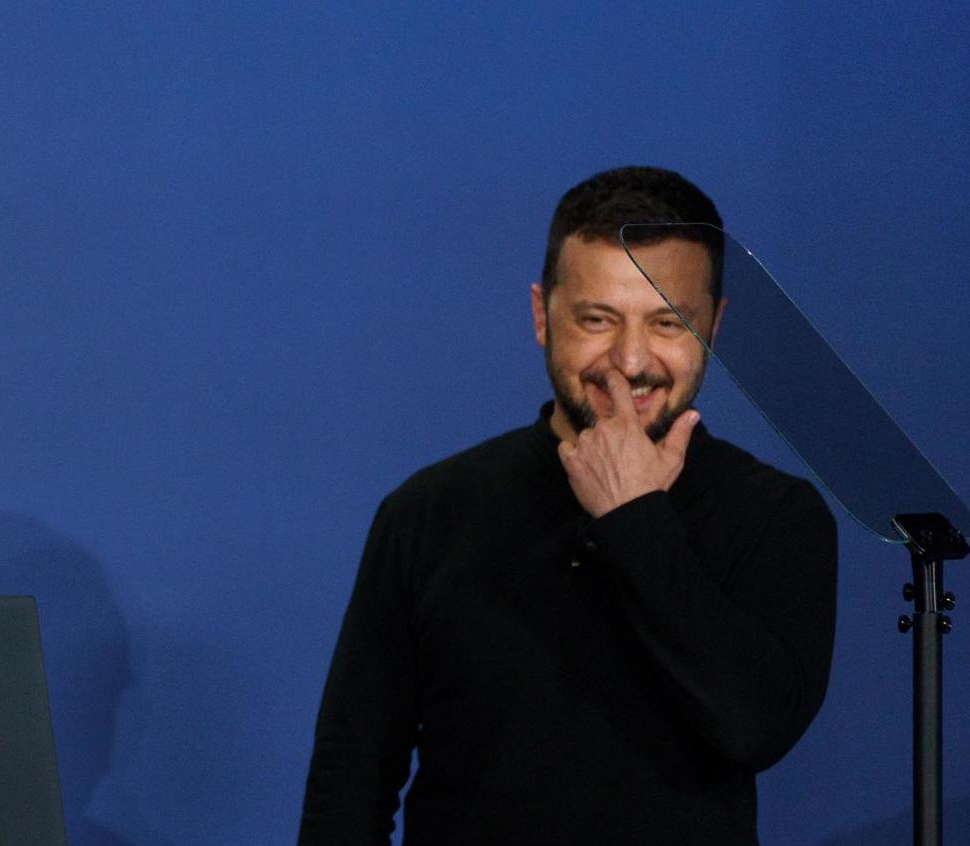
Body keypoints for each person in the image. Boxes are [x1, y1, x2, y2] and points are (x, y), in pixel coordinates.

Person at [298, 166, 837, 844]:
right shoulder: (429, 512)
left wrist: (635, 520)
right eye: (597, 319)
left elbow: (753, 727)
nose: (630, 361)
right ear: (539, 316)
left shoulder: (774, 517)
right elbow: (351, 774)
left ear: (713, 326)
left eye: (667, 323)